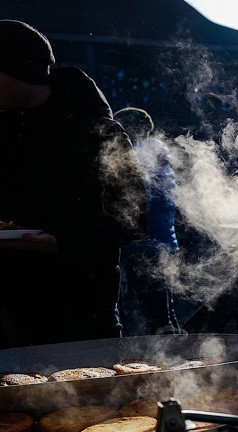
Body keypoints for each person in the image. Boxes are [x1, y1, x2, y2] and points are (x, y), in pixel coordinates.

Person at [0, 20, 146, 349]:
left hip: (81, 313)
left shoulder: (97, 131)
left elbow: (132, 219)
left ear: (21, 68)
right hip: (8, 314)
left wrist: (60, 242)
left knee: (90, 399)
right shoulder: (3, 132)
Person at [114, 107, 181, 335]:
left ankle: (161, 362)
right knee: (164, 310)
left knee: (151, 311)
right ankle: (175, 359)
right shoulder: (160, 158)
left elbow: (137, 206)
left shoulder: (141, 158)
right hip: (163, 241)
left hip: (143, 244)